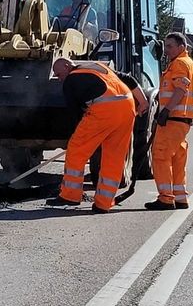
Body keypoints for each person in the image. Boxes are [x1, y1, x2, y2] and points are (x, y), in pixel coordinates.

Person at [47, 58, 149, 213]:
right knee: (114, 157)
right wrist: (143, 102)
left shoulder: (70, 81)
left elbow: (75, 114)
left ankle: (70, 196)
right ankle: (104, 203)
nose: (59, 78)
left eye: (59, 74)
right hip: (128, 107)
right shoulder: (98, 67)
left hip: (105, 110)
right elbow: (129, 79)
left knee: (76, 149)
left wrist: (77, 137)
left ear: (67, 66)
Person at [147, 32, 193, 210]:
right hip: (183, 120)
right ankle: (180, 197)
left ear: (182, 47)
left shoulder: (179, 63)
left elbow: (181, 90)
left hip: (173, 119)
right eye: (165, 46)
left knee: (160, 155)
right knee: (178, 157)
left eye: (170, 46)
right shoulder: (191, 65)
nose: (167, 50)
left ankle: (165, 198)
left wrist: (166, 111)